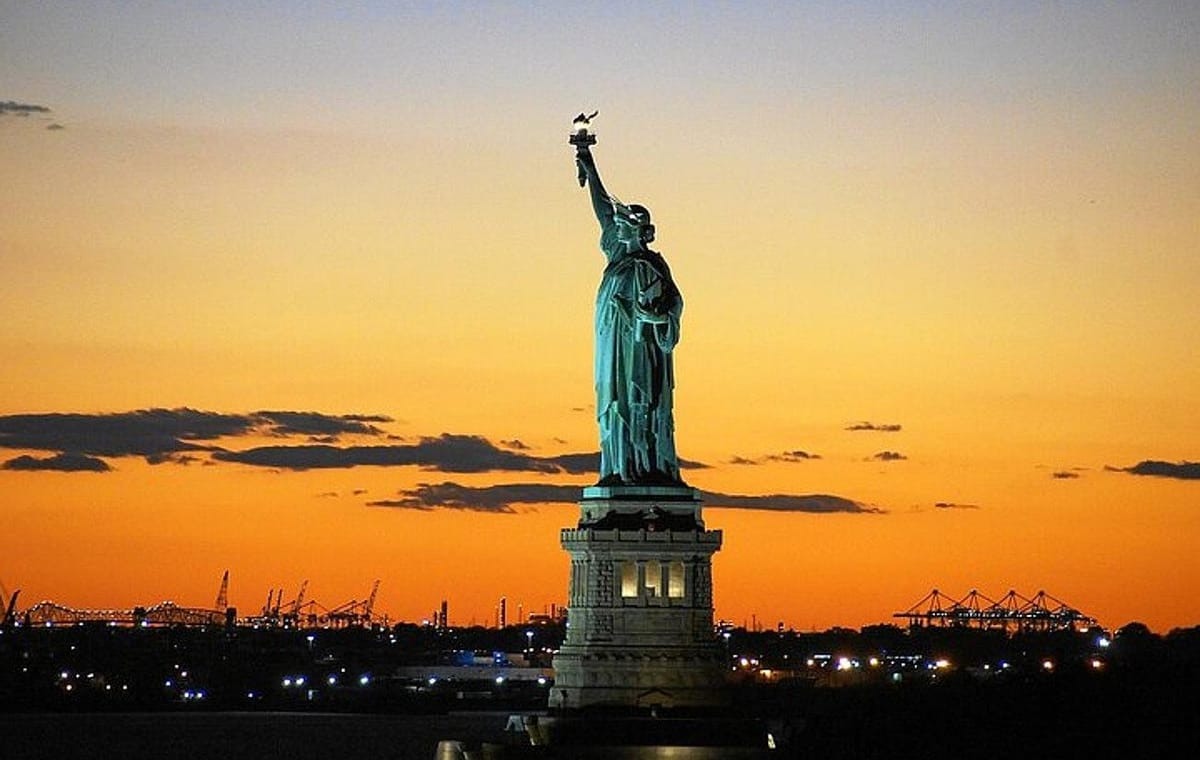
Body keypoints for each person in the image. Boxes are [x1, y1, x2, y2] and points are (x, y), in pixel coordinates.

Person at [575, 145, 683, 485]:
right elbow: (602, 209)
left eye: (623, 224)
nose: (615, 226)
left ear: (637, 230)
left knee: (637, 401)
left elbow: (672, 308)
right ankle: (616, 467)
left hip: (639, 349)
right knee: (612, 400)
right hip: (610, 344)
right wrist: (587, 162)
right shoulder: (616, 254)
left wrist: (642, 316)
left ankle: (642, 465)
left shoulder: (651, 267)